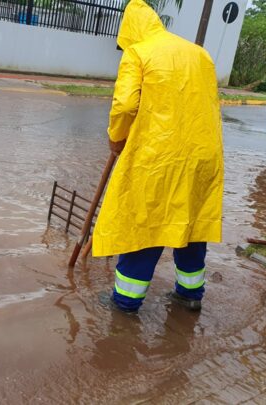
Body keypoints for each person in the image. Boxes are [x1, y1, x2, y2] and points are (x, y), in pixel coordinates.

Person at [91, 0, 224, 313]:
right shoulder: (200, 53)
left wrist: (116, 139)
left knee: (146, 222)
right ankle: (190, 295)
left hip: (159, 157)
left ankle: (125, 301)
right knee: (191, 223)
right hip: (203, 157)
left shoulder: (139, 52)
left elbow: (124, 107)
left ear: (130, 31)